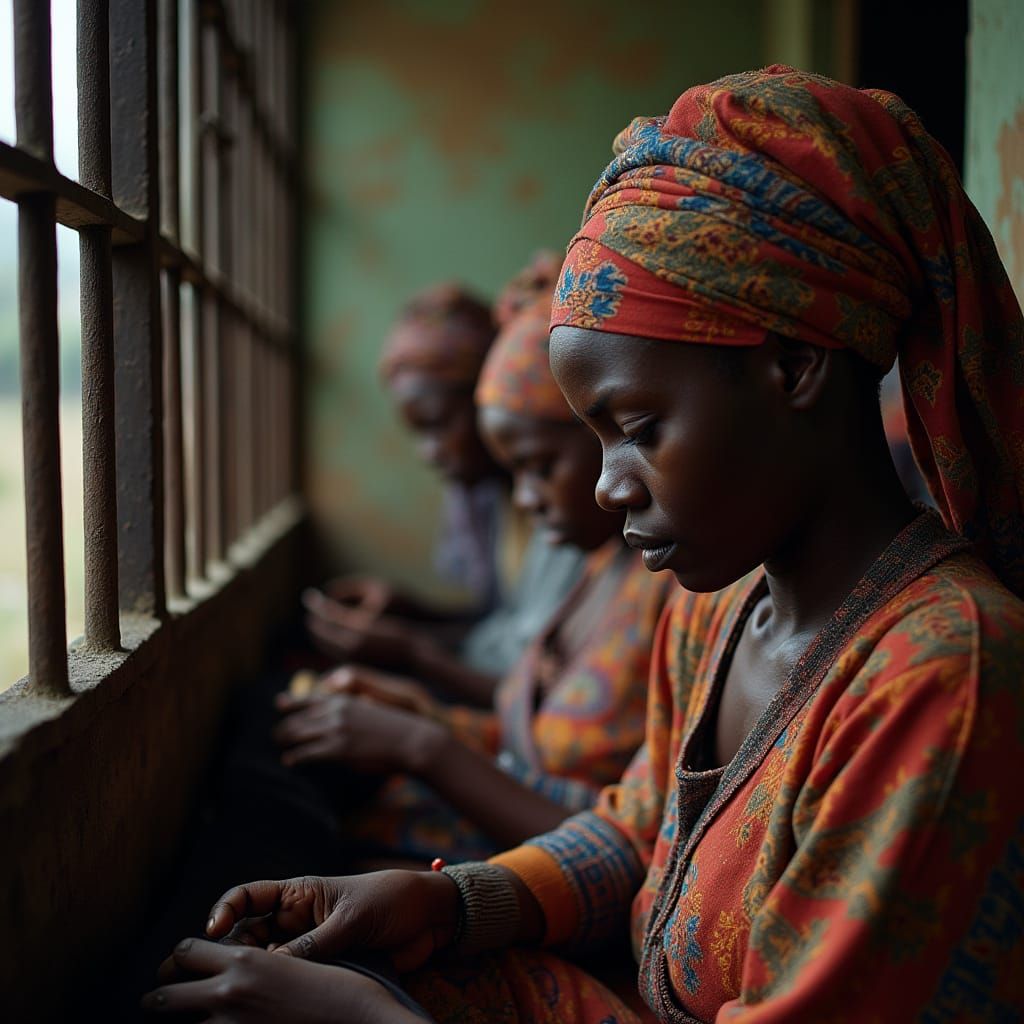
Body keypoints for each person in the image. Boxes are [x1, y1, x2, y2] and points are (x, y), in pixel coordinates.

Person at [143, 67, 1024, 1022]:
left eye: (639, 427)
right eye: (596, 438)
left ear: (794, 366)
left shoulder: (946, 681)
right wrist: (448, 900)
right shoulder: (721, 608)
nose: (608, 485)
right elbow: (642, 831)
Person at [272, 294, 675, 862]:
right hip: (513, 831)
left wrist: (422, 734)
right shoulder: (606, 565)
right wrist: (414, 711)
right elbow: (523, 730)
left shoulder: (674, 591)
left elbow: (633, 840)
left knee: (283, 814)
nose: (526, 498)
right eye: (516, 472)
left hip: (546, 865)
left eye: (541, 466)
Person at [305, 277, 586, 706]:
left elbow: (538, 680)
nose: (429, 453)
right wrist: (412, 613)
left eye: (438, 425)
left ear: (486, 397)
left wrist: (412, 650)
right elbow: (507, 627)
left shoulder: (574, 512)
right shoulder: (502, 501)